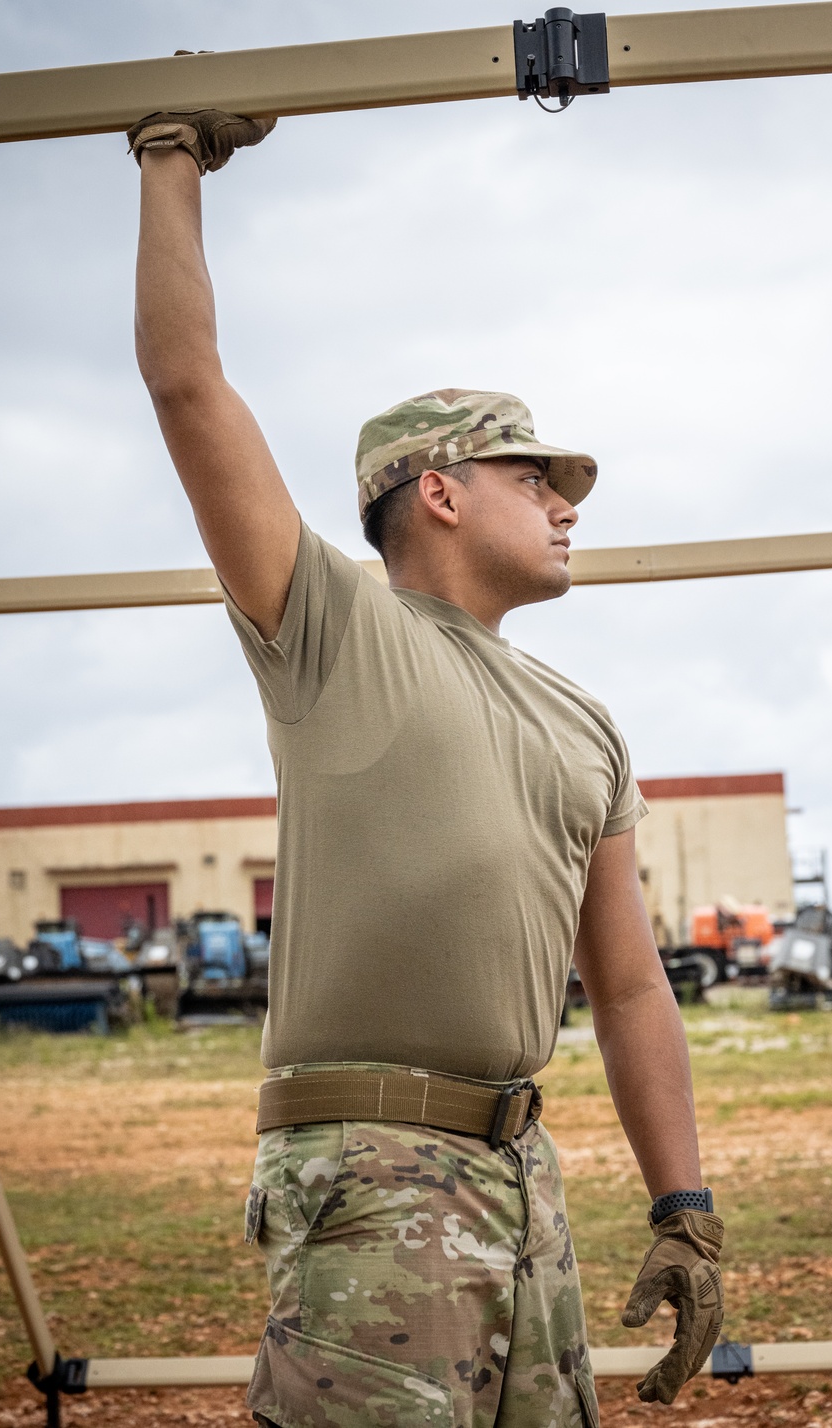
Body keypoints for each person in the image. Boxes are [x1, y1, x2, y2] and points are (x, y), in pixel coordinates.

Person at [128, 107, 724, 1428]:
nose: (569, 503)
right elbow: (187, 388)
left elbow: (627, 985)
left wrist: (684, 1205)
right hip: (372, 1171)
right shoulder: (335, 630)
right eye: (536, 476)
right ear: (441, 491)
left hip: (523, 1172)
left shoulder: (585, 721)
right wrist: (172, 158)